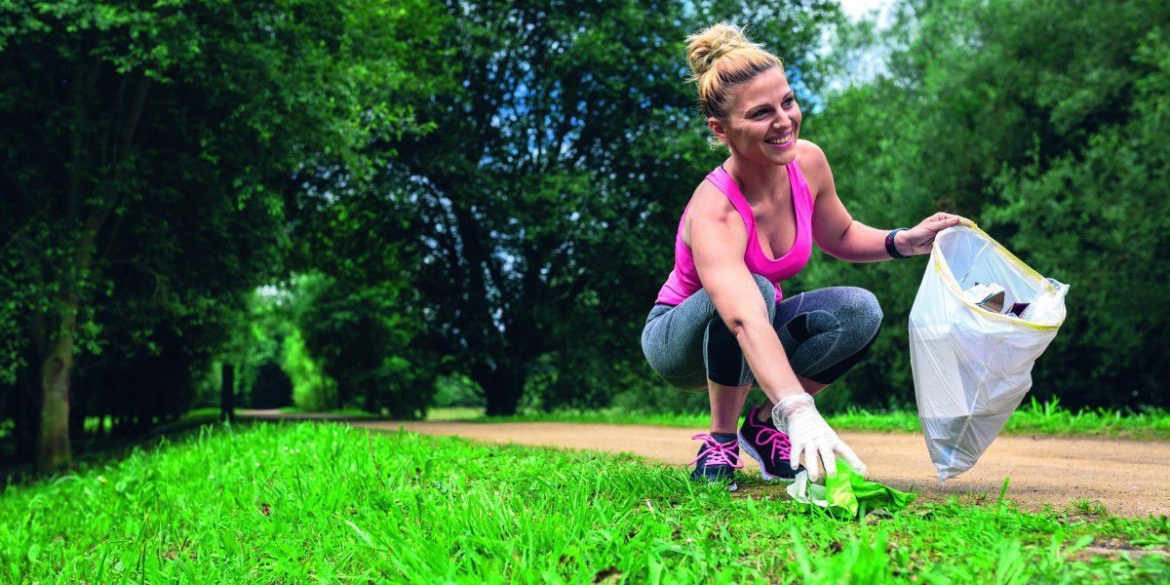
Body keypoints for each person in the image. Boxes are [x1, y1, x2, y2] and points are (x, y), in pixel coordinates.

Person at [641, 23, 970, 491]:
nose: (784, 121)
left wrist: (902, 241)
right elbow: (742, 319)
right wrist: (799, 409)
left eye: (788, 102)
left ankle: (762, 426)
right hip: (680, 341)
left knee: (859, 310)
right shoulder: (714, 210)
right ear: (721, 129)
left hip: (756, 320)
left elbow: (840, 233)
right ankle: (720, 442)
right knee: (752, 292)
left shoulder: (807, 161)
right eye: (761, 113)